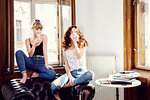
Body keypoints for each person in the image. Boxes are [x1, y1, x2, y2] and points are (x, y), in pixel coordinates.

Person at [51, 25, 94, 100]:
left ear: (78, 34)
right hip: (70, 73)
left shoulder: (82, 44)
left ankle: (69, 84)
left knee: (91, 74)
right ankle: (59, 95)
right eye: (72, 32)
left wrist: (75, 43)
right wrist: (70, 76)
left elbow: (79, 56)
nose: (74, 34)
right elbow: (66, 65)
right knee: (53, 85)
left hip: (82, 73)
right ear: (69, 35)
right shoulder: (65, 48)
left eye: (75, 32)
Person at [15, 19, 56, 84]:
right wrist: (34, 45)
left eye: (40, 29)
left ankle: (36, 75)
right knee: (18, 52)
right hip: (31, 61)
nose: (39, 31)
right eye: (37, 29)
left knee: (52, 74)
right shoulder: (27, 40)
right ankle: (24, 75)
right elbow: (30, 55)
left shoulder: (44, 37)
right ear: (32, 29)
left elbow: (45, 51)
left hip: (41, 63)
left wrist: (46, 65)